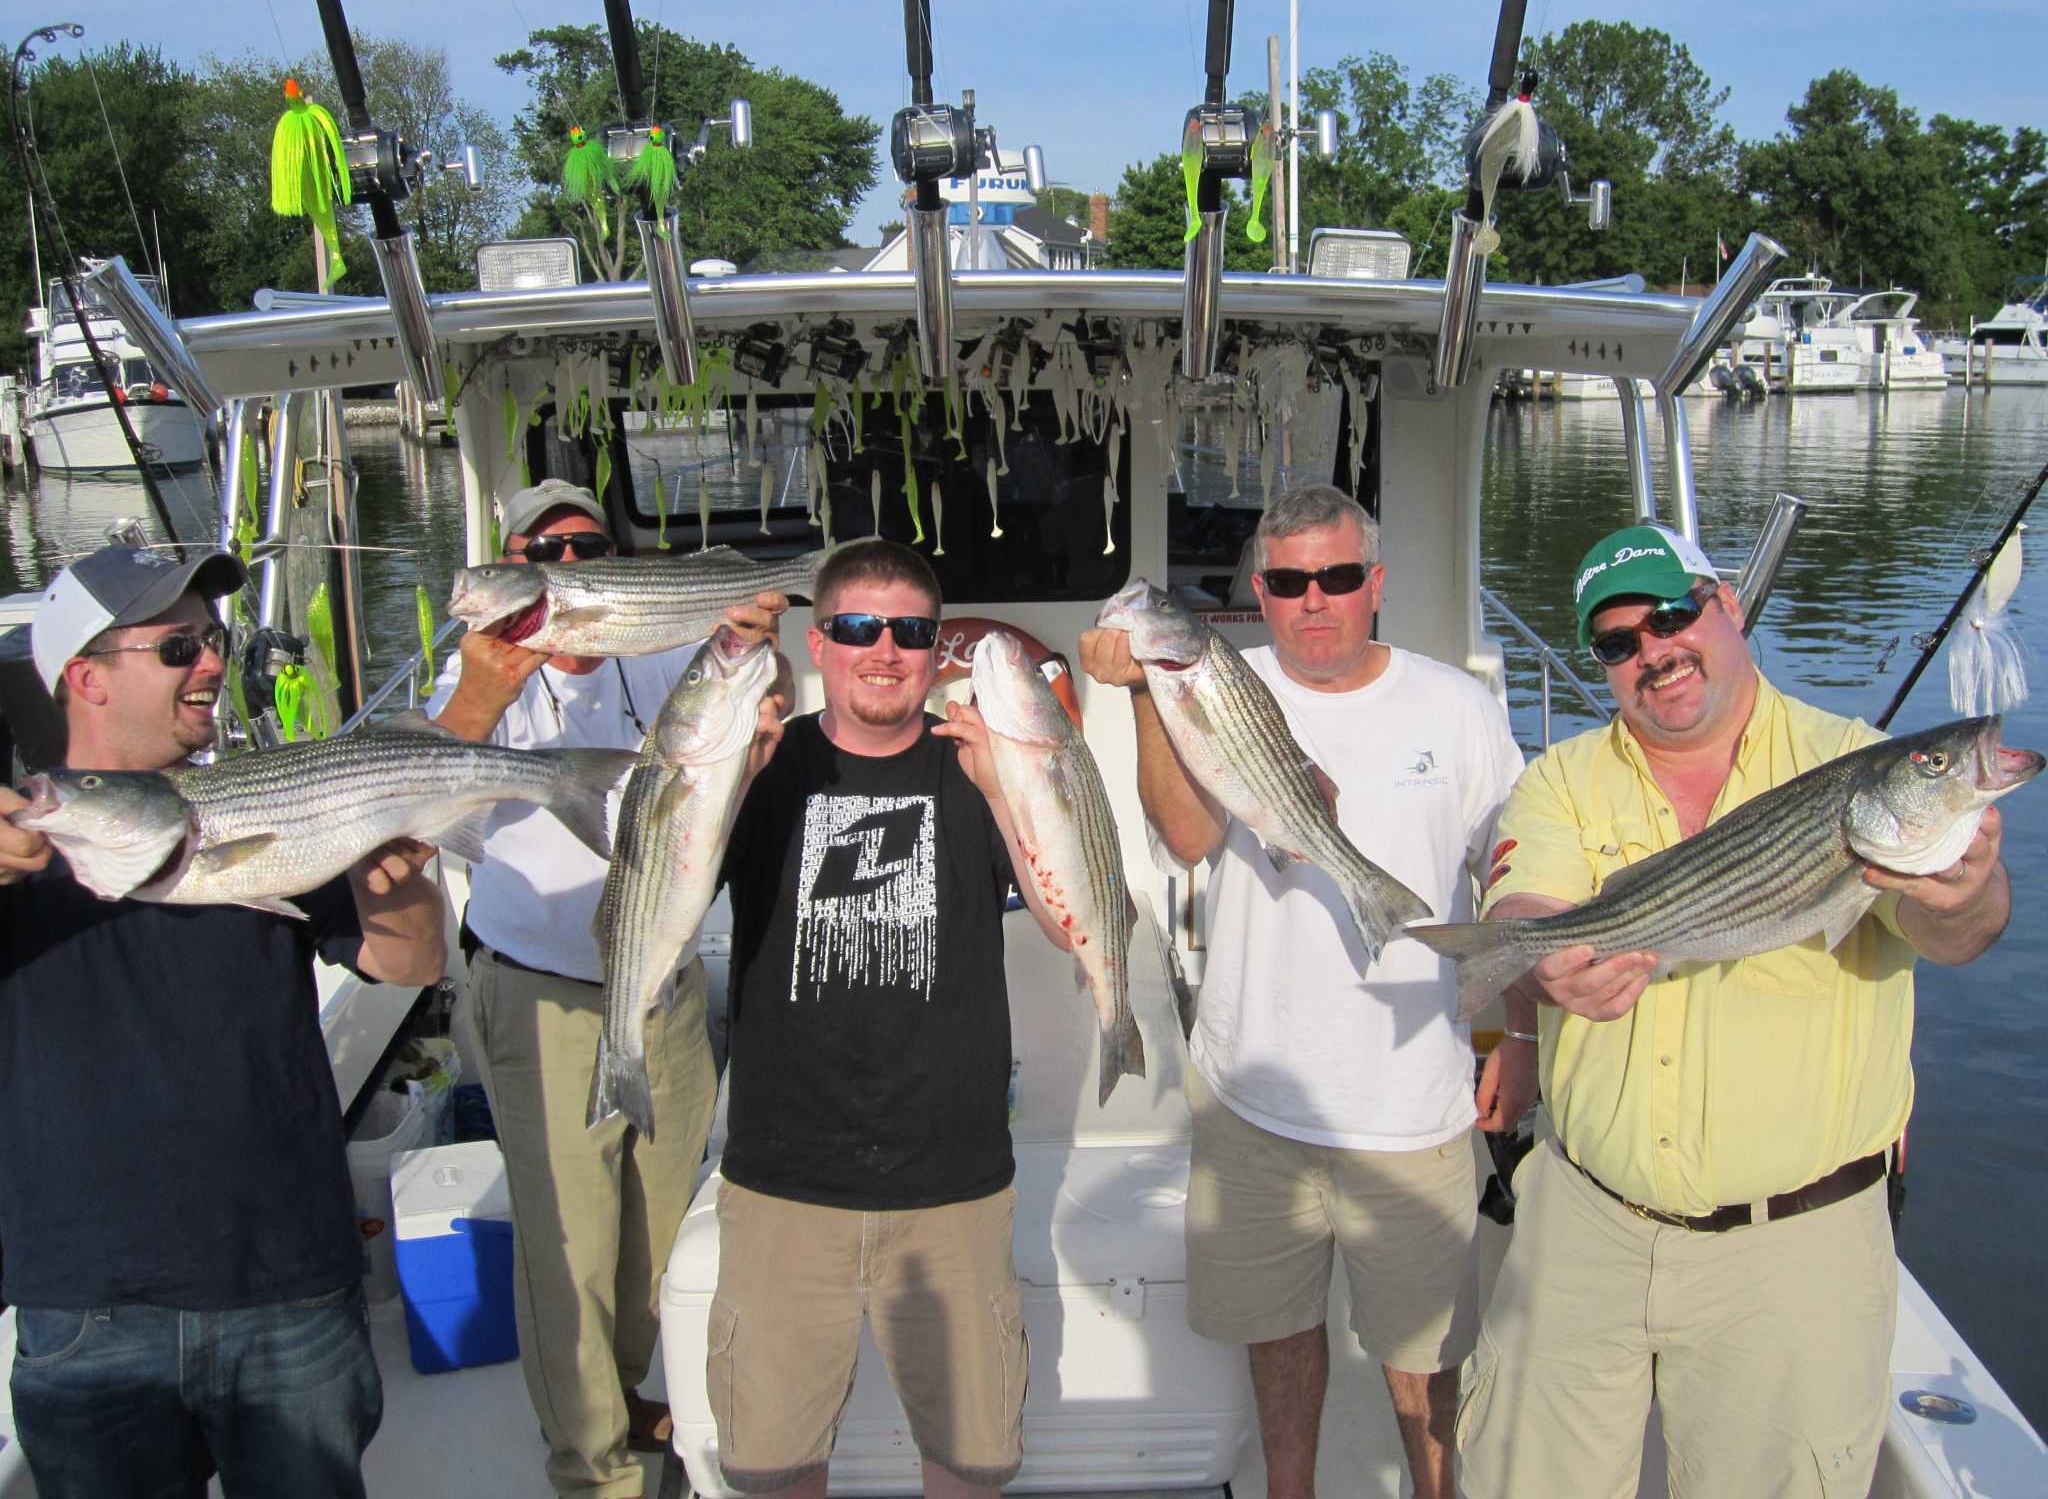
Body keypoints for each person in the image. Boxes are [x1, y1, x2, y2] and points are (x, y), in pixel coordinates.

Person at [1457, 523, 2014, 1499]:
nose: (1652, 652)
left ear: (1725, 606)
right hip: (1584, 1225)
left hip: (1792, 1255)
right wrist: (1542, 966)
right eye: (1616, 642)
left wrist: (1963, 889)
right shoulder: (1560, 777)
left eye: (1670, 616)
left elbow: (1954, 934)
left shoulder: (1855, 761)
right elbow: (1522, 902)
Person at [1079, 482, 1531, 1499]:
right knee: (1277, 1339)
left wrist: (1522, 1037)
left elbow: (1514, 874)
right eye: (1287, 582)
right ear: (1258, 591)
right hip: (1252, 1093)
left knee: (1421, 1357)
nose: (1312, 600)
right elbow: (1189, 840)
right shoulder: (1216, 682)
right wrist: (1145, 693)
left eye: (1334, 577)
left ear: (1373, 584)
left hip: (1410, 1102)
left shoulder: (1454, 706)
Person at [0, 542, 446, 1499]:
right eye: (175, 649)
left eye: (214, 640)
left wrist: (393, 883)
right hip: (88, 1307)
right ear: (86, 676)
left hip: (288, 1279)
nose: (210, 665)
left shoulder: (270, 805)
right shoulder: (14, 844)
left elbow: (411, 962)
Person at [428, 478, 783, 1499]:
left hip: (661, 987)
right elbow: (417, 807)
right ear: (511, 566)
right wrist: (478, 698)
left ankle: (626, 1397)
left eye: (589, 547)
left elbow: (764, 704)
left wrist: (762, 648)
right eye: (545, 552)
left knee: (659, 1244)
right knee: (570, 1258)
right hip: (535, 1003)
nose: (571, 568)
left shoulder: (662, 656)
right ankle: (595, 1472)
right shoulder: (474, 689)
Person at [709, 538, 1071, 1499]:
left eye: (909, 631)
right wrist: (729, 775)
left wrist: (1006, 784)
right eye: (858, 628)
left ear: (936, 647)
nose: (884, 650)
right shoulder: (763, 762)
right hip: (784, 1181)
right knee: (773, 1470)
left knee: (969, 1467)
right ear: (819, 644)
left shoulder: (979, 767)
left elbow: (1065, 916)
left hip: (950, 1184)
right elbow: (661, 886)